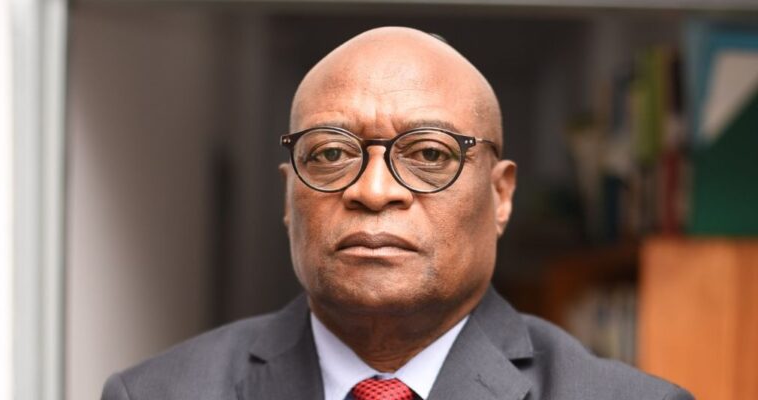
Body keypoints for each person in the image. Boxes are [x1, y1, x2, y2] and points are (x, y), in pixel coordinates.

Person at [102, 27, 693, 400]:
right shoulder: (156, 394)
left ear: (501, 196)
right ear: (288, 196)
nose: (374, 190)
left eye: (430, 154)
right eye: (330, 154)